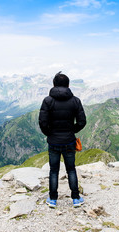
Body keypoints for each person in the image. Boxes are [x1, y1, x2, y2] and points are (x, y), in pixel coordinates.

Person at [38, 72, 86, 208]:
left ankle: (52, 199)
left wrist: (50, 134)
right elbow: (82, 121)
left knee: (54, 170)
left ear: (54, 84)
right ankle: (76, 198)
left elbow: (42, 122)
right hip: (69, 141)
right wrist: (72, 130)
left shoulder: (47, 101)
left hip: (53, 141)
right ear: (68, 85)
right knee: (71, 169)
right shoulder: (75, 100)